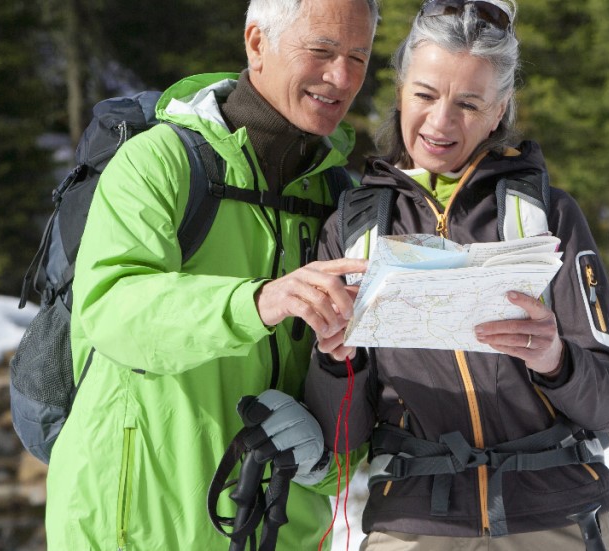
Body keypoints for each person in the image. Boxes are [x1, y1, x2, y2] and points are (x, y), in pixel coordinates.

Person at [42, 0, 379, 548]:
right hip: (134, 529)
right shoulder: (160, 162)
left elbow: (354, 389)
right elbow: (111, 311)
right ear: (256, 42)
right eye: (321, 51)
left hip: (279, 534)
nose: (341, 77)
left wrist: (326, 460)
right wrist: (258, 303)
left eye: (358, 58)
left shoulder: (340, 199)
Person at [303, 1, 609, 549]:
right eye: (425, 95)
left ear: (499, 108)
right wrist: (334, 360)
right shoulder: (355, 227)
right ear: (402, 85)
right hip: (414, 523)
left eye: (468, 103)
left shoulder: (547, 217)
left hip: (553, 518)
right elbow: (344, 438)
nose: (439, 123)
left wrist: (555, 360)